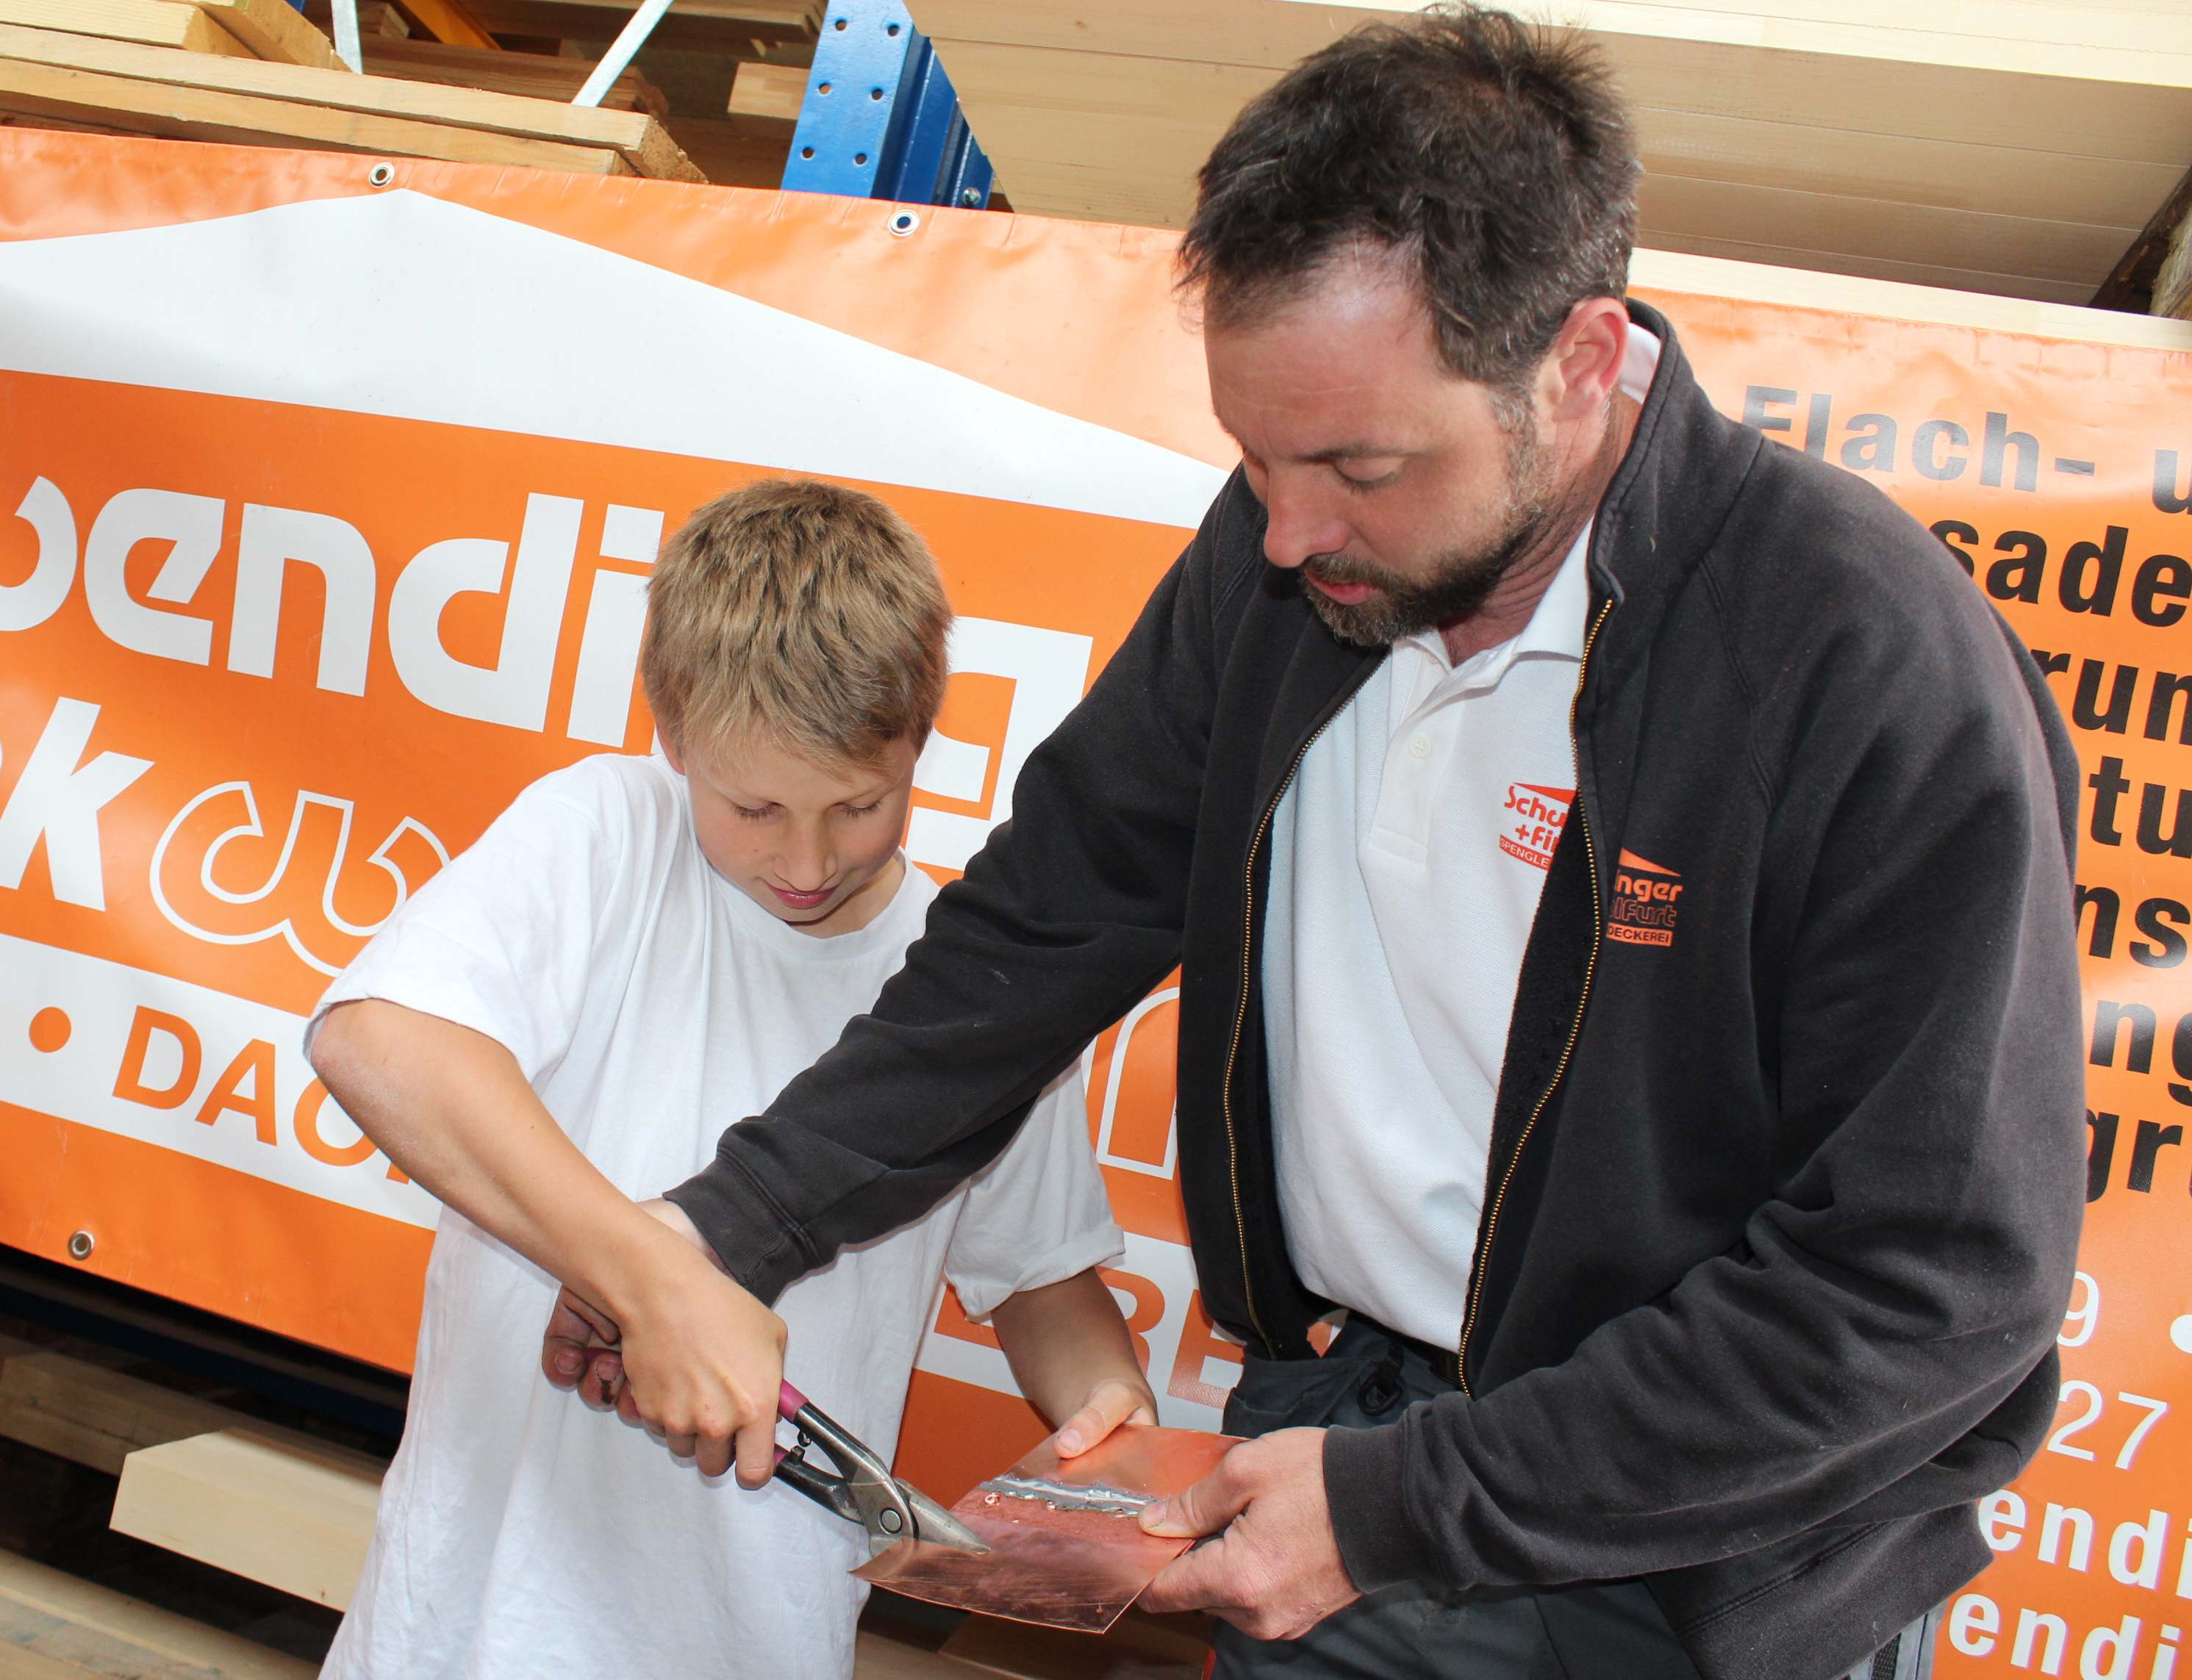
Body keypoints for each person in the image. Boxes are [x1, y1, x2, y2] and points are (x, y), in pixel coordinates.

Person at [542, 11, 2087, 1679]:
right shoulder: (1292, 558)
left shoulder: (1859, 663)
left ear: (1577, 364)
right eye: (1253, 459)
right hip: (1331, 1443)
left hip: (1692, 1548)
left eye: (1359, 464)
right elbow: (1040, 928)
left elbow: (1932, 1278)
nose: (1285, 534)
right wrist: (722, 1227)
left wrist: (1418, 1502)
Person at [305, 478, 1156, 1680]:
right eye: (754, 806)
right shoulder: (607, 834)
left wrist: (1111, 1419)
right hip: (460, 1641)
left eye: (858, 805)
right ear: (673, 738)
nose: (806, 859)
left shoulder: (979, 986)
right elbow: (376, 1040)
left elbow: (1042, 1286)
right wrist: (660, 1284)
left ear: (921, 739)